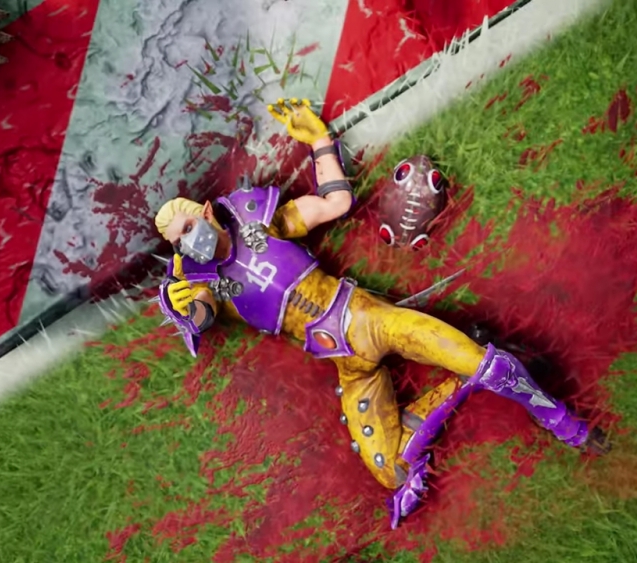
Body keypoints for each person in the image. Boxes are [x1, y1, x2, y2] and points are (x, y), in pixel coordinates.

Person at [151, 98, 608, 528]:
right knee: (393, 472)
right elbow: (202, 316)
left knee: (484, 364)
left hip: (368, 319)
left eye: (188, 227)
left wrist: (319, 141)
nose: (189, 241)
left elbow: (336, 203)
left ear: (206, 211)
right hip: (346, 363)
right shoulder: (203, 283)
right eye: (178, 241)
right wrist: (182, 309)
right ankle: (465, 376)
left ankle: (561, 421)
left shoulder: (256, 216)